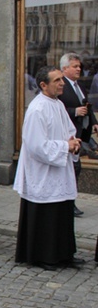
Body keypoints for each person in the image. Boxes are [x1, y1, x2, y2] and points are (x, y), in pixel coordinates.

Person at [14, 66, 85, 271]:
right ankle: (45, 256)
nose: (62, 83)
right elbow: (36, 146)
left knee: (62, 212)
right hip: (43, 172)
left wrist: (74, 142)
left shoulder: (58, 104)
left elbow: (68, 130)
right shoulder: (37, 109)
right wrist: (66, 146)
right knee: (48, 215)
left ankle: (64, 254)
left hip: (59, 169)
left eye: (62, 79)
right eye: (57, 80)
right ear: (43, 85)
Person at [57, 52, 97, 217]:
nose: (78, 69)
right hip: (67, 135)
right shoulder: (61, 85)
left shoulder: (78, 85)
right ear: (65, 68)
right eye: (75, 66)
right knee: (72, 169)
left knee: (75, 169)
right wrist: (74, 111)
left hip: (81, 133)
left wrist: (93, 121)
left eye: (79, 66)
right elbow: (57, 109)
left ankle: (69, 202)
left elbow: (86, 105)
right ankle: (67, 203)